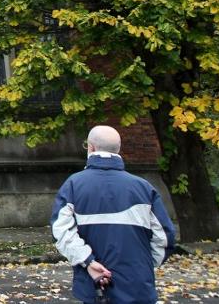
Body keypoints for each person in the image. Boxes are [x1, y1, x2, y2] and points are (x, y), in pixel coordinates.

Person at [51, 125, 177, 304]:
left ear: (90, 147)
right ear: (118, 149)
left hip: (95, 285)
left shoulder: (73, 185)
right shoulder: (144, 188)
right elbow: (165, 238)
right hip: (138, 285)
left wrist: (88, 261)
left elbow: (61, 232)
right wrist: (143, 266)